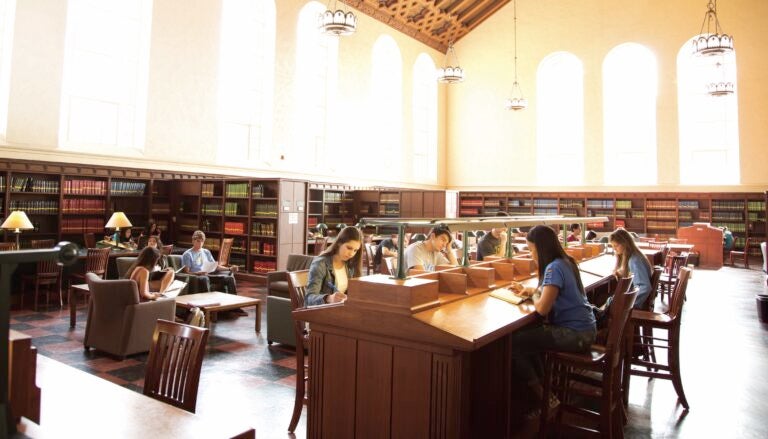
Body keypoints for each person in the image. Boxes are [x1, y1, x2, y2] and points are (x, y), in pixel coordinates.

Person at [508, 225, 596, 416]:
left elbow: (542, 309)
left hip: (575, 334)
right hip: (587, 329)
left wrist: (534, 297)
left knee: (514, 343)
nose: (531, 254)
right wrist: (532, 291)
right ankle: (547, 393)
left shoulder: (553, 268)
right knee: (531, 338)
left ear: (541, 248)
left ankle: (542, 396)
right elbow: (552, 292)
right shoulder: (566, 262)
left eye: (531, 249)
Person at [305, 226, 364, 306]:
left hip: (341, 310)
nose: (351, 254)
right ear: (339, 243)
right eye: (349, 248)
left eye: (355, 250)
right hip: (323, 312)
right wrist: (329, 298)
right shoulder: (320, 264)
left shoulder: (350, 265)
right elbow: (309, 299)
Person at [181, 230, 237, 295]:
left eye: (202, 241)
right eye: (198, 241)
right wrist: (198, 273)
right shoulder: (187, 254)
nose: (200, 243)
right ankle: (208, 301)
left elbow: (215, 266)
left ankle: (233, 300)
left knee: (229, 279)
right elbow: (186, 272)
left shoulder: (206, 252)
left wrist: (229, 269)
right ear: (193, 241)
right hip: (198, 277)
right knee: (205, 278)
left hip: (209, 275)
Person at [610, 227, 653, 309]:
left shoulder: (634, 260)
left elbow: (645, 287)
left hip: (636, 305)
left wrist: (627, 304)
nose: (614, 249)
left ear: (625, 243)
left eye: (616, 245)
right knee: (608, 298)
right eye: (613, 246)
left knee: (605, 299)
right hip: (636, 299)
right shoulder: (634, 256)